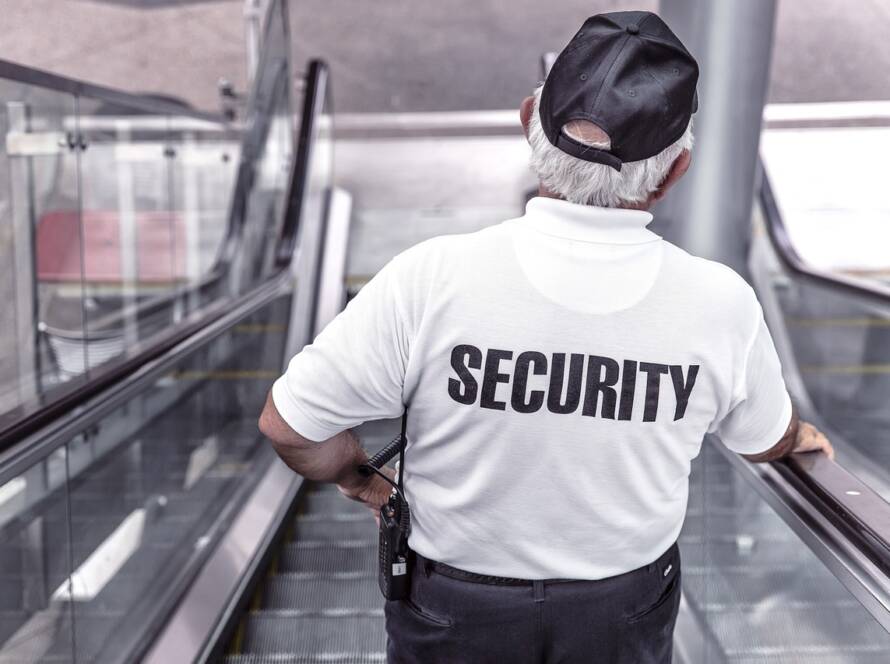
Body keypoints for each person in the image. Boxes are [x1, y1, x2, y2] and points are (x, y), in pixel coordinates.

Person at [259, 10, 833, 664]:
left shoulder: (432, 277)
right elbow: (763, 439)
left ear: (528, 117)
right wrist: (798, 439)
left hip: (453, 608)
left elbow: (288, 424)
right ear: (676, 171)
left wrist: (360, 479)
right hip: (621, 611)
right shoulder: (719, 305)